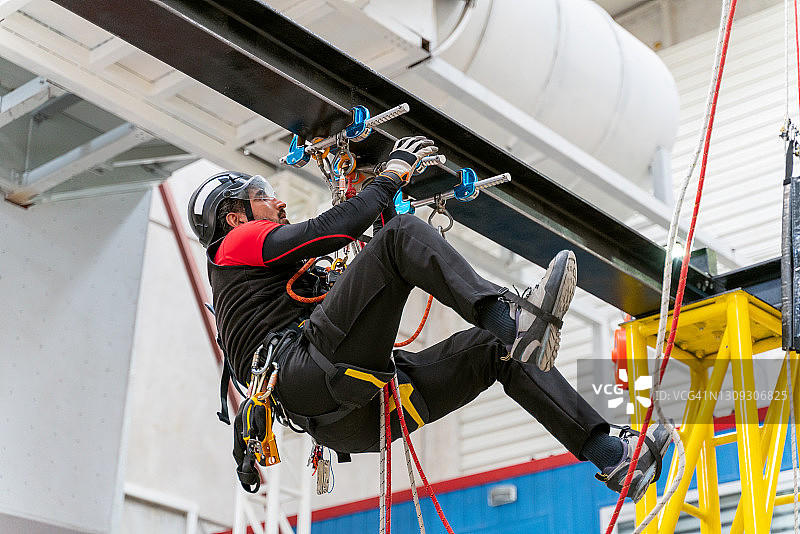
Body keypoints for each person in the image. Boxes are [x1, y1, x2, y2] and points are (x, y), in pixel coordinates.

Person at [187, 136, 670, 502]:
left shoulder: (264, 288)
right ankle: (511, 319)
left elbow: (366, 280)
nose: (277, 202)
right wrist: (389, 178)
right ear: (234, 217)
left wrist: (376, 213)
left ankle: (614, 459)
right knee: (401, 235)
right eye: (263, 195)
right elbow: (331, 232)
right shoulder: (231, 247)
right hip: (311, 374)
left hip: (347, 420)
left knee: (495, 352)